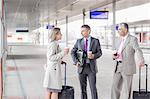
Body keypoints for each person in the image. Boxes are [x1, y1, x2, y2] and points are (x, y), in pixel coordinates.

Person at [111, 23, 145, 99]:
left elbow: (138, 50)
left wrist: (141, 60)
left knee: (127, 89)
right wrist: (114, 56)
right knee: (115, 87)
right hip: (118, 66)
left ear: (125, 29)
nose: (118, 31)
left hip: (127, 67)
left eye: (120, 29)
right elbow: (116, 51)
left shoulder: (132, 39)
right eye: (118, 29)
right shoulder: (118, 39)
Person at [71, 25, 102, 99]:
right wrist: (76, 61)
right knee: (83, 89)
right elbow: (73, 52)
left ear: (89, 31)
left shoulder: (95, 41)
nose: (81, 32)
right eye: (81, 31)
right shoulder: (79, 41)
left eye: (83, 31)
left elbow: (100, 53)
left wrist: (93, 56)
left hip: (91, 68)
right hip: (81, 67)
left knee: (93, 88)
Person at [43, 28, 69, 99]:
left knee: (49, 90)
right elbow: (51, 57)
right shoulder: (53, 44)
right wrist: (63, 53)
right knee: (55, 90)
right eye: (60, 33)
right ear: (56, 35)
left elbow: (54, 56)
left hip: (52, 69)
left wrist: (60, 61)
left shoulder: (54, 43)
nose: (61, 35)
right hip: (53, 71)